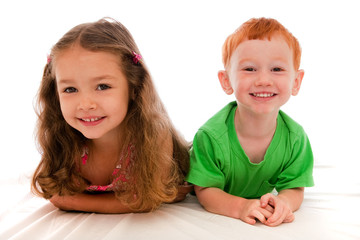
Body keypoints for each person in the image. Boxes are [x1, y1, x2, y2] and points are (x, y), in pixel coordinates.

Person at [31, 18, 192, 213]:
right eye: (70, 89)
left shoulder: (153, 135)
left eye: (102, 86)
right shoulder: (62, 137)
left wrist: (75, 202)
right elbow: (55, 192)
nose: (86, 104)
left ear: (134, 87)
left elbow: (145, 201)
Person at [186, 17, 314, 227]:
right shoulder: (210, 137)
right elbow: (206, 191)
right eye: (249, 69)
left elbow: (295, 187)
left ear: (296, 81)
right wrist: (241, 207)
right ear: (226, 81)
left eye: (277, 69)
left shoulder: (295, 137)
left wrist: (283, 202)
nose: (263, 80)